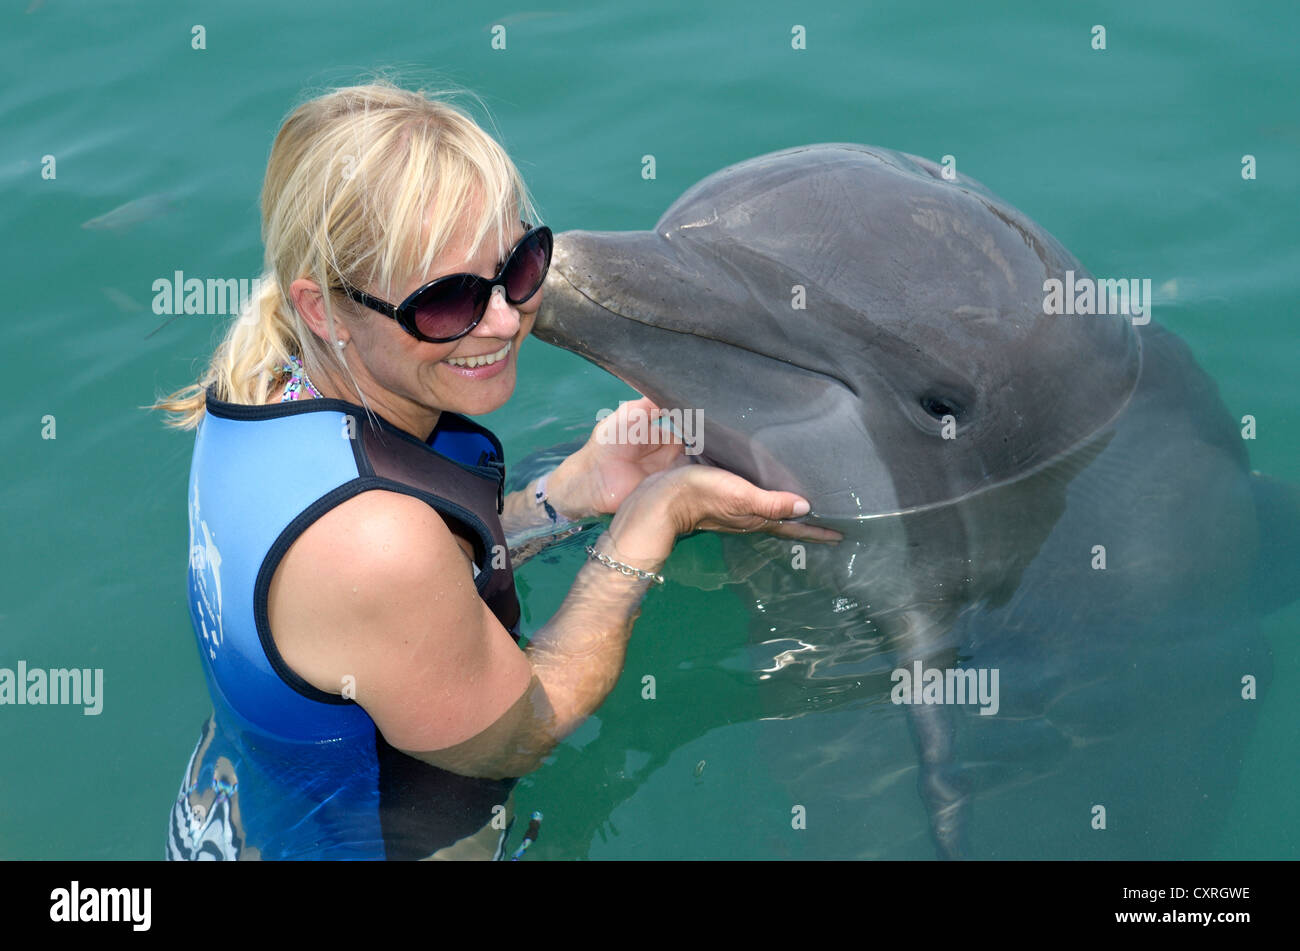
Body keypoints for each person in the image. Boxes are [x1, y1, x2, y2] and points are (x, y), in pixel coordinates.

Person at [152, 80, 837, 860]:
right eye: (447, 302)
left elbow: (401, 599)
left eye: (518, 266)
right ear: (320, 306)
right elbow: (519, 734)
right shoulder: (373, 545)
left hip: (233, 816)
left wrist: (568, 493)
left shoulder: (261, 385)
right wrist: (650, 525)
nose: (507, 320)